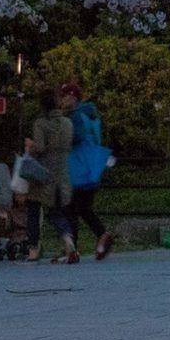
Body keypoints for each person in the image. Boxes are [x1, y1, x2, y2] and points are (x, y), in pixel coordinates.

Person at [63, 81, 116, 261]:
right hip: (92, 166)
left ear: (72, 97)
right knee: (84, 208)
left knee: (71, 208)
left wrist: (63, 138)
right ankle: (101, 235)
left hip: (78, 168)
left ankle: (73, 250)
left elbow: (76, 137)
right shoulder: (91, 115)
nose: (61, 100)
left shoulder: (76, 116)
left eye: (64, 96)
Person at [25, 87, 79, 264]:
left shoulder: (40, 123)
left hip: (42, 173)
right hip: (62, 172)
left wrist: (30, 146)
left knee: (33, 208)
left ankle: (33, 249)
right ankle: (67, 236)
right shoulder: (67, 123)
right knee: (55, 211)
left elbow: (39, 147)